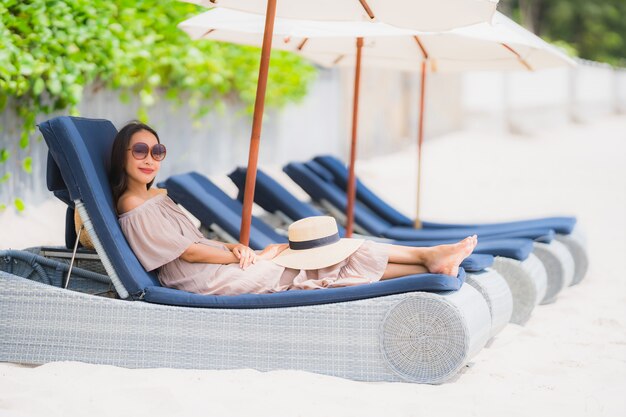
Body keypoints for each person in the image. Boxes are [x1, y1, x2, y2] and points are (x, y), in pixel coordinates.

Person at [111, 121, 477, 296]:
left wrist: (237, 248)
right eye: (139, 151)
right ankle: (427, 258)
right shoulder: (132, 203)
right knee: (316, 262)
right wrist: (246, 254)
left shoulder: (157, 196)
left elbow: (193, 242)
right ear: (122, 157)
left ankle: (427, 258)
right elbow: (188, 253)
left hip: (216, 266)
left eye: (157, 151)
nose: (150, 159)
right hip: (204, 281)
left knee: (324, 254)